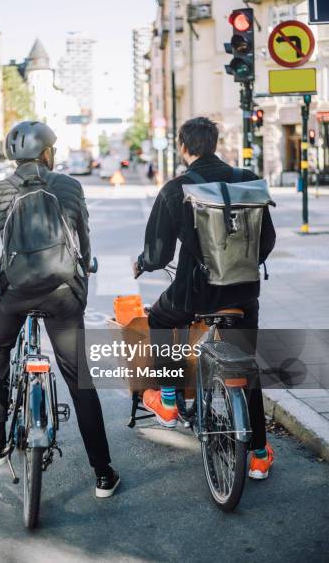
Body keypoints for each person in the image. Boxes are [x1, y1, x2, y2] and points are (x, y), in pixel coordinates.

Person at [0, 121, 119, 498]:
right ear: (47, 152)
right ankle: (103, 472)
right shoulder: (70, 187)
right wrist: (85, 267)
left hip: (15, 292)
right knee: (78, 378)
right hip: (62, 293)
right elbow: (83, 240)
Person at [134, 117, 276, 480]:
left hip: (193, 293)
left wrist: (143, 264)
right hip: (243, 293)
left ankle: (167, 402)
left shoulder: (175, 188)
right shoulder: (248, 181)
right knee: (246, 366)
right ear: (215, 144)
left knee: (161, 320)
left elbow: (159, 254)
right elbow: (268, 240)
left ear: (184, 148)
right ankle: (259, 455)